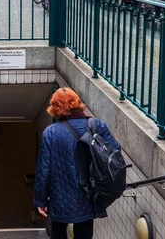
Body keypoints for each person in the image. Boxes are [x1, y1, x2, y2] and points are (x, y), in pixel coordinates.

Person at [34, 88, 120, 239]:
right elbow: (114, 153)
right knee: (85, 231)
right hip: (89, 193)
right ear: (78, 103)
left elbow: (44, 170)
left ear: (55, 108)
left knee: (58, 231)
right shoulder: (96, 125)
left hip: (59, 197)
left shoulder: (51, 132)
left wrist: (40, 200)